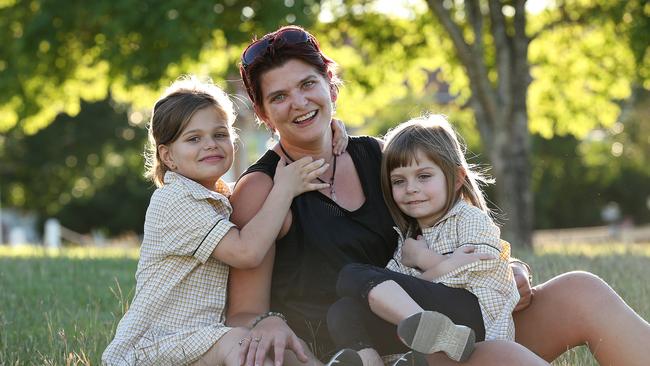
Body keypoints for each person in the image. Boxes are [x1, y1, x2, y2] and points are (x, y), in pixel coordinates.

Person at [228, 25, 650, 366]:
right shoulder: (263, 188)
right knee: (496, 355)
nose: (298, 103)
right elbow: (244, 312)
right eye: (278, 97)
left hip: (450, 320)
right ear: (263, 114)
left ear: (331, 87)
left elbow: (455, 229)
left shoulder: (380, 158)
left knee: (581, 290)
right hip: (366, 348)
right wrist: (268, 322)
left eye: (308, 84)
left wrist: (510, 270)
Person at [102, 76, 333, 366]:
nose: (210, 145)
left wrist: (331, 131)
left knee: (272, 349)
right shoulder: (174, 200)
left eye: (220, 134)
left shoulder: (221, 197)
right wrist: (284, 189)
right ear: (168, 156)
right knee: (243, 344)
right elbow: (246, 253)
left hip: (202, 342)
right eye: (194, 139)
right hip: (155, 348)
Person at [330, 115, 520, 365]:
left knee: (352, 275)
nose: (410, 188)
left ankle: (431, 329)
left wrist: (424, 260)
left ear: (457, 178)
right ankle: (370, 360)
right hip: (442, 319)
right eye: (399, 181)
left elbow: (484, 265)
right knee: (342, 310)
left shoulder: (468, 218)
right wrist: (434, 269)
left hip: (476, 318)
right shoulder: (409, 237)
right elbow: (387, 294)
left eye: (424, 176)